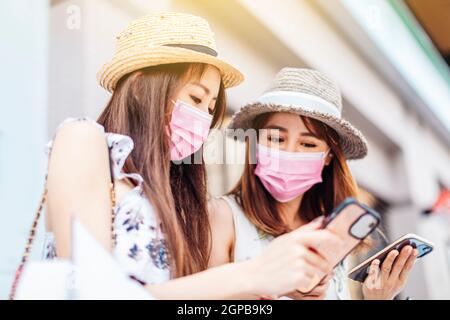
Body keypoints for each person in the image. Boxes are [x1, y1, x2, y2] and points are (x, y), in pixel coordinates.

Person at [11, 15, 343, 300]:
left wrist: (278, 289)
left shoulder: (176, 195)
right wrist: (252, 274)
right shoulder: (84, 140)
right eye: (196, 98)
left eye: (210, 108)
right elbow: (89, 289)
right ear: (141, 87)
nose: (203, 117)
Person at [209, 68, 418, 300]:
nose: (289, 151)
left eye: (308, 144)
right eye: (276, 138)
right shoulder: (223, 216)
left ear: (328, 157)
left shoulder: (329, 235)